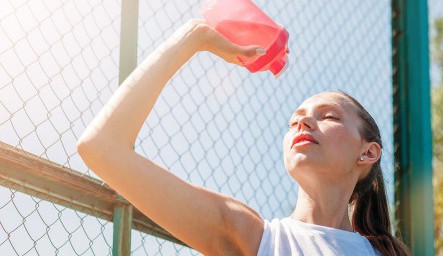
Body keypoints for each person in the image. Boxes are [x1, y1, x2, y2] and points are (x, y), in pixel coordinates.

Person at [76, 19, 410, 256]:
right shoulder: (252, 237)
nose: (304, 121)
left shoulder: (390, 252)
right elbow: (101, 147)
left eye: (329, 116)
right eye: (294, 120)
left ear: (368, 153)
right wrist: (194, 37)